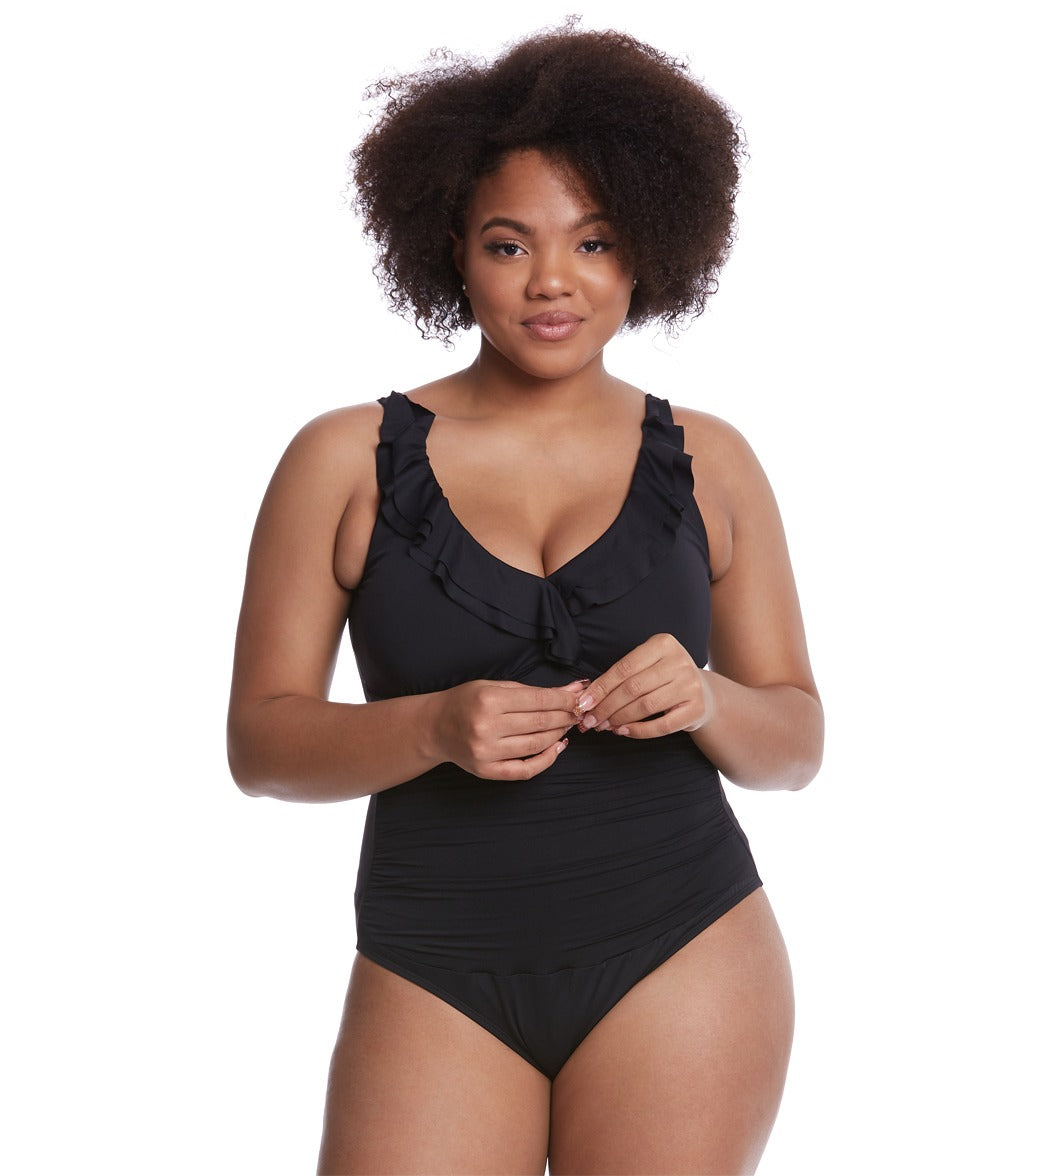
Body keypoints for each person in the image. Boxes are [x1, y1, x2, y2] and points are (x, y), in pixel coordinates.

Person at [228, 25, 823, 1175]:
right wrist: (432, 728)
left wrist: (706, 698)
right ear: (452, 250)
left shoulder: (714, 461)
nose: (553, 280)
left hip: (685, 947)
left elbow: (796, 744)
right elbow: (261, 745)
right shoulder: (343, 460)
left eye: (594, 241)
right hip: (433, 957)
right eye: (510, 244)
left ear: (647, 248)